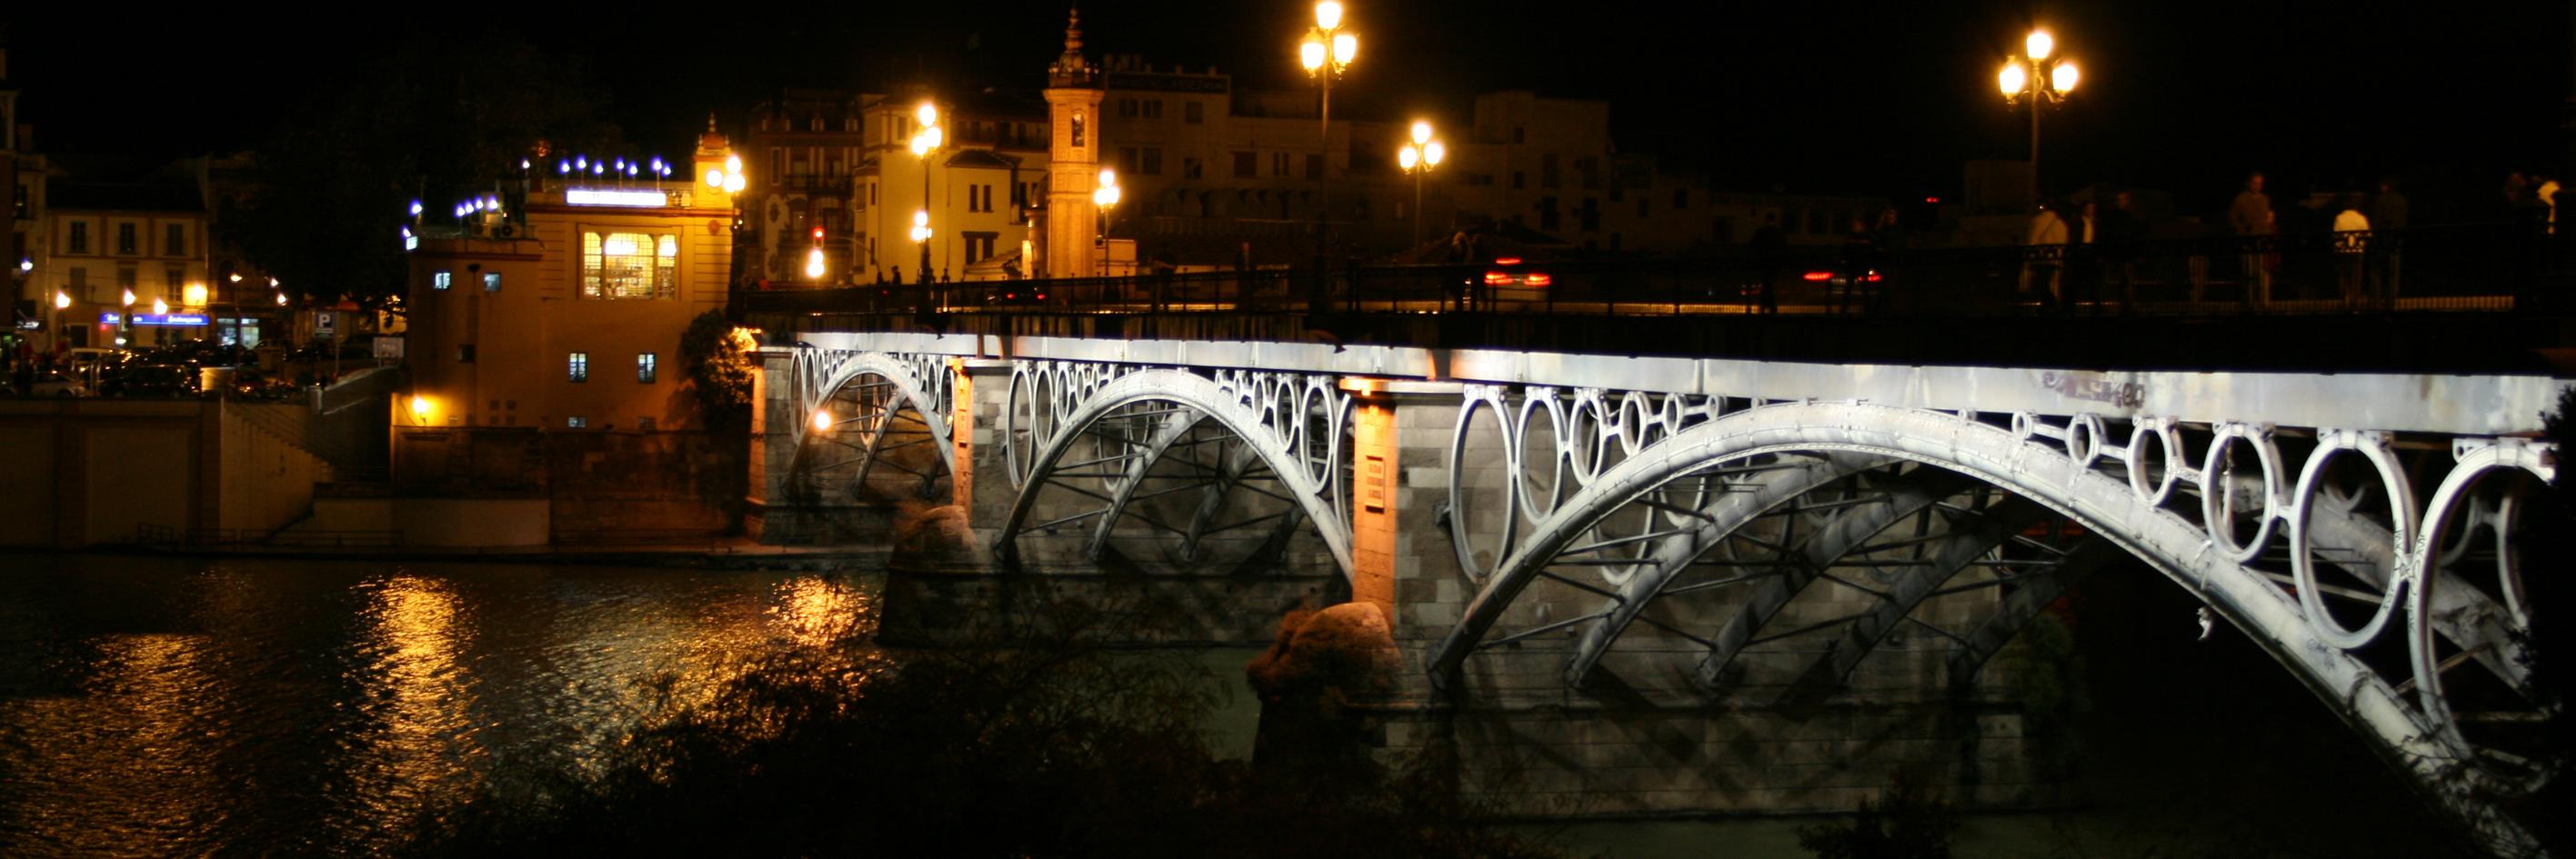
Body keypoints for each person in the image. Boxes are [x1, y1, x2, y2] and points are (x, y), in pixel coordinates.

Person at [2228, 172, 2275, 307]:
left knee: (2263, 273)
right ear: (2248, 183)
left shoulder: (2264, 199)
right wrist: (2243, 232)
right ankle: (2248, 303)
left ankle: (2264, 302)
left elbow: (2267, 219)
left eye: (2260, 183)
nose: (2257, 186)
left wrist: (2268, 233)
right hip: (2247, 243)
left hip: (2262, 242)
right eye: (2255, 183)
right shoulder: (2240, 199)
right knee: (2248, 273)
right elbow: (2232, 220)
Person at [2100, 189, 2148, 310]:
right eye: (2120, 199)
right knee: (2120, 280)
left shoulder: (2125, 217)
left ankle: (2123, 304)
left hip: (2122, 254)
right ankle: (2121, 304)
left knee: (2123, 280)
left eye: (2124, 199)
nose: (2122, 202)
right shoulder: (2119, 217)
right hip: (2118, 254)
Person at [2369, 177, 2409, 307]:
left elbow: (2376, 219)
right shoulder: (2401, 200)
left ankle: (2376, 299)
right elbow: (2403, 220)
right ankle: (2391, 300)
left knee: (2376, 270)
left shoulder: (2380, 200)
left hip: (2381, 240)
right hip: (2396, 240)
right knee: (2393, 272)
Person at [2023, 201, 2070, 308]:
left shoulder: (2037, 220)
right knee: (2052, 283)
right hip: (2056, 258)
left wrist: (2029, 257)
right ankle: (2053, 303)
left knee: (2041, 283)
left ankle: (2047, 303)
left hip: (2041, 258)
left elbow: (2032, 240)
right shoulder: (2061, 223)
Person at [2332, 194, 2371, 310]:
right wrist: (2362, 245)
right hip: (2357, 250)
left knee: (2343, 276)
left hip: (2343, 250)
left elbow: (2336, 235)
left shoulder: (2339, 218)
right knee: (2356, 276)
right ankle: (2355, 300)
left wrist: (2339, 247)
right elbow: (2367, 234)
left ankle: (2344, 300)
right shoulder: (2361, 218)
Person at [1750, 213, 1786, 315]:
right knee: (1770, 284)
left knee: (1766, 283)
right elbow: (1783, 248)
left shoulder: (1760, 232)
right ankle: (1770, 305)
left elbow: (1754, 245)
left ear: (1766, 220)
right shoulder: (1778, 233)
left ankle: (1765, 305)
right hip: (1774, 263)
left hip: (1763, 262)